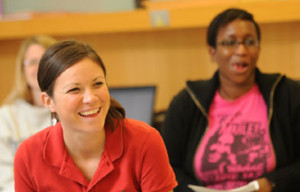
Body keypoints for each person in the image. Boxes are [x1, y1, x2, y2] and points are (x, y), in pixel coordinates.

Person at [162, 8, 300, 192]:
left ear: (259, 48)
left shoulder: (288, 94)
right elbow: (167, 167)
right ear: (212, 51)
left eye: (250, 42)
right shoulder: (187, 102)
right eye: (230, 42)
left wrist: (272, 183)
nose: (241, 50)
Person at [14, 40, 177, 192]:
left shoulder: (145, 142)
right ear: (48, 101)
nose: (91, 98)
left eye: (98, 84)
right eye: (74, 89)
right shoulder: (28, 156)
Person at [0, 35, 56, 192]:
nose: (40, 68)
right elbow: (5, 179)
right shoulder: (5, 119)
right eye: (33, 62)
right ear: (22, 71)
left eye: (46, 61)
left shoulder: (68, 114)